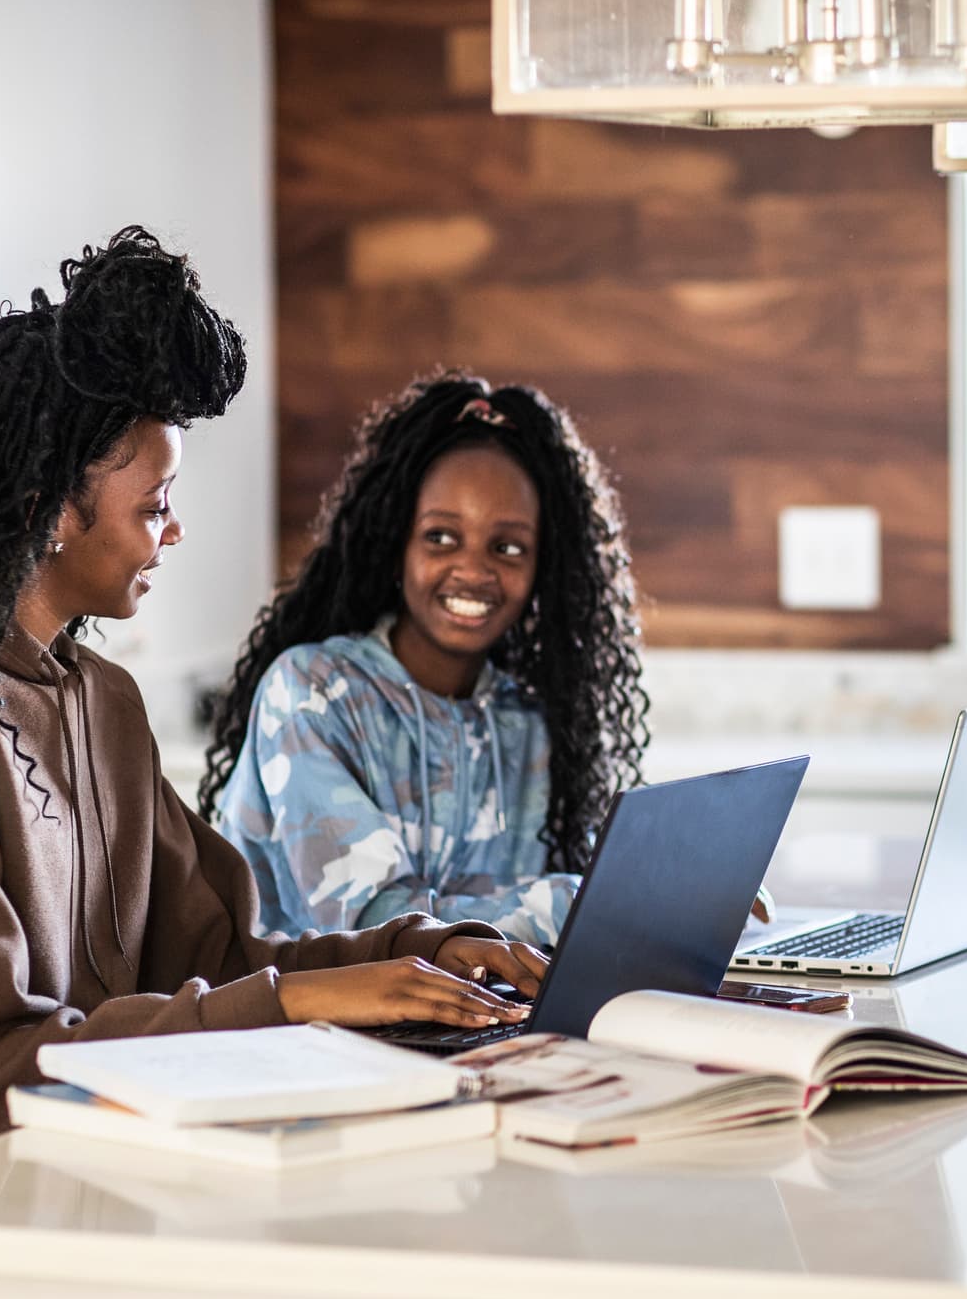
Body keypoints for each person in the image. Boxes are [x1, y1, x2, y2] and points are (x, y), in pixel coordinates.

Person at [0, 232, 545, 1299]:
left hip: (60, 1126)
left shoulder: (97, 698)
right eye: (156, 500)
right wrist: (307, 1007)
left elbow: (216, 951)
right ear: (56, 506)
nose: (174, 529)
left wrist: (419, 951)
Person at [199, 374, 657, 948]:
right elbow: (376, 926)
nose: (473, 570)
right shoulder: (310, 693)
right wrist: (611, 899)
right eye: (441, 537)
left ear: (546, 570)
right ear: (395, 545)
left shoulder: (534, 725)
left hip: (464, 1025)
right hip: (298, 1028)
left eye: (508, 547)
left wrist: (672, 897)